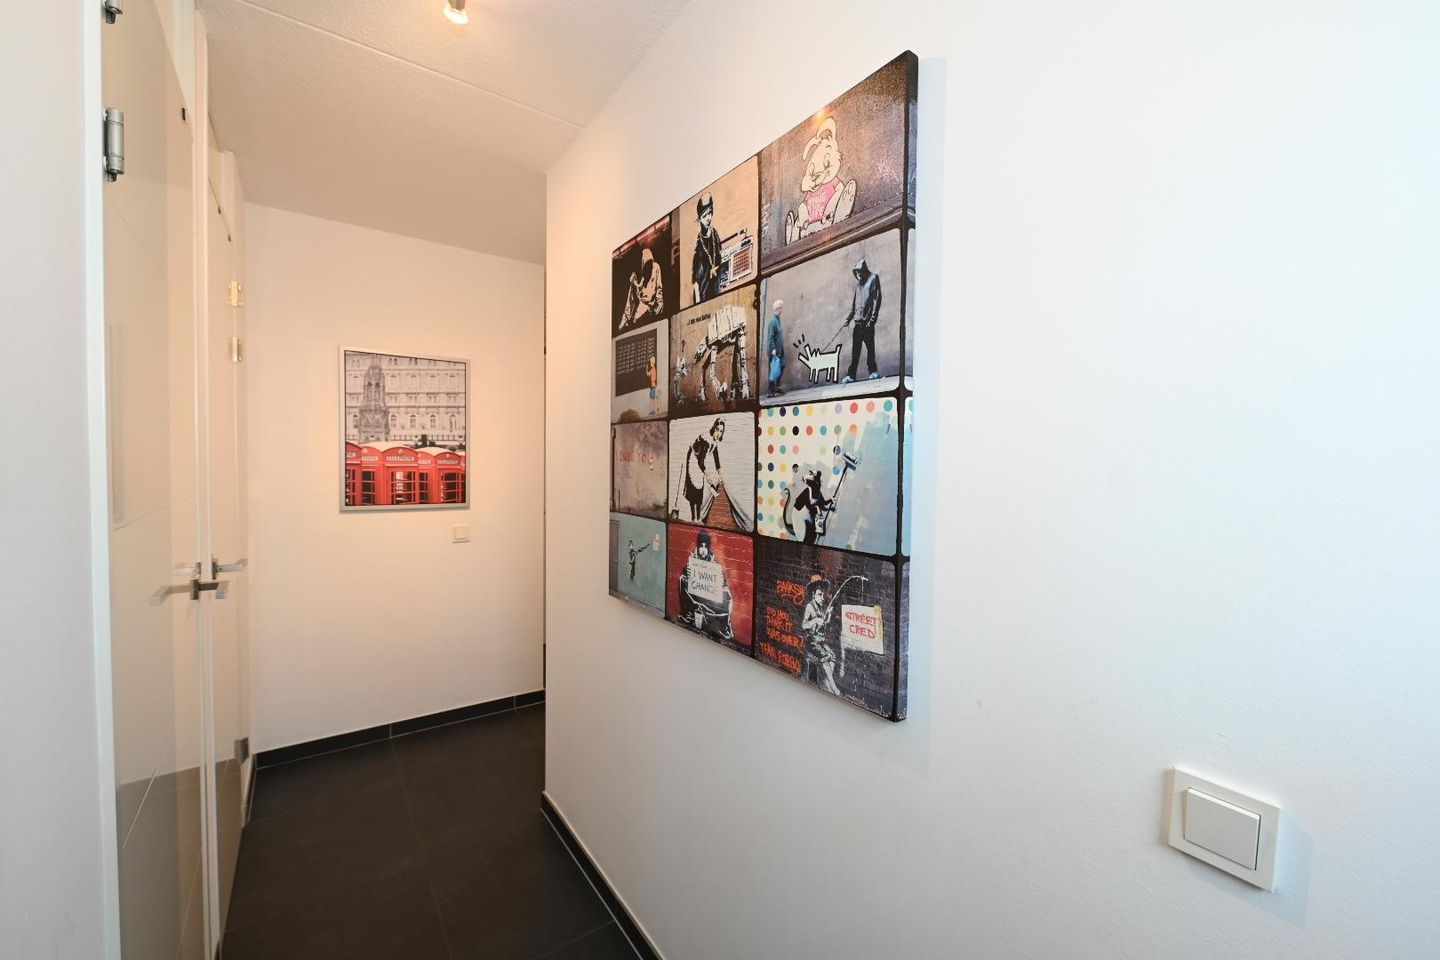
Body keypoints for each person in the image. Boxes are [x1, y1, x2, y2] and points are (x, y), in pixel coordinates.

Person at [677, 531, 734, 641]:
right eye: (701, 546)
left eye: (705, 547)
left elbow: (723, 581)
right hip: (695, 594)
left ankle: (723, 626)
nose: (703, 550)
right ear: (698, 547)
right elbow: (685, 575)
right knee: (682, 579)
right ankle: (687, 614)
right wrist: (687, 572)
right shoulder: (693, 558)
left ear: (708, 547)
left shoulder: (713, 560)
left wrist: (721, 580)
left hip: (709, 596)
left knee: (726, 592)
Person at [840, 257, 882, 383]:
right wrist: (848, 319)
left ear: (863, 270)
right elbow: (854, 306)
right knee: (855, 352)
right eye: (856, 273)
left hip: (867, 323)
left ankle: (873, 372)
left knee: (870, 349)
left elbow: (877, 300)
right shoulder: (858, 286)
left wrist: (872, 320)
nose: (857, 275)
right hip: (858, 323)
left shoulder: (874, 278)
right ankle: (851, 375)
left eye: (859, 272)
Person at [678, 418, 726, 523]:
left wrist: (720, 473)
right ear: (714, 428)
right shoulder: (706, 440)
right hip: (693, 460)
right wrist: (707, 475)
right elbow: (700, 461)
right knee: (693, 489)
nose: (718, 433)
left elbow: (716, 459)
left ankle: (698, 519)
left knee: (700, 490)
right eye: (717, 429)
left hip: (700, 461)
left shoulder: (714, 442)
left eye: (721, 431)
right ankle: (693, 518)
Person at [801, 575, 842, 694]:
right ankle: (832, 685)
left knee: (832, 656)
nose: (822, 597)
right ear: (813, 594)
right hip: (812, 642)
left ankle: (826, 681)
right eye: (820, 594)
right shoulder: (810, 607)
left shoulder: (821, 608)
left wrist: (828, 615)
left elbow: (824, 624)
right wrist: (815, 620)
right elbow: (804, 625)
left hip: (820, 641)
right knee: (825, 656)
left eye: (823, 595)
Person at [783, 469, 834, 544]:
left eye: (811, 474)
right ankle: (818, 529)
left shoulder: (818, 493)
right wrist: (816, 507)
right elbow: (806, 505)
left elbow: (823, 503)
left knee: (817, 510)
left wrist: (830, 500)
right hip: (799, 516)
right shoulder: (808, 490)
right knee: (803, 538)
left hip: (807, 516)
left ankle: (819, 529)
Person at [620, 247, 664, 330]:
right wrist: (625, 319)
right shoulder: (635, 277)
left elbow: (659, 287)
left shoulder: (656, 267)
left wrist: (660, 303)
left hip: (653, 305)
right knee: (636, 322)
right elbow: (630, 300)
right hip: (643, 306)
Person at [691, 193, 723, 304]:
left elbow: (720, 258)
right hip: (703, 295)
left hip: (716, 288)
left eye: (710, 213)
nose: (708, 218)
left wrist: (715, 269)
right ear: (699, 219)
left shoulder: (715, 234)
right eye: (704, 216)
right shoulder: (698, 244)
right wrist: (698, 303)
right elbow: (695, 279)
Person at [766, 299, 786, 396]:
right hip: (773, 351)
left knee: (782, 365)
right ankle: (770, 391)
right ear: (776, 309)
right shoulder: (773, 321)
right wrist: (773, 349)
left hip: (779, 350)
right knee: (773, 370)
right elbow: (771, 337)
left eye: (781, 308)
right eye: (779, 308)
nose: (781, 310)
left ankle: (776, 387)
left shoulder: (778, 320)